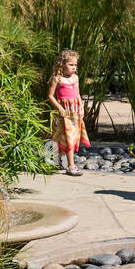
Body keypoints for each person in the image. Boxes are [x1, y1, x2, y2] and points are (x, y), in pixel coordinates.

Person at [47, 48, 89, 176]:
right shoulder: (57, 79)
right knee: (67, 138)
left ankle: (54, 158)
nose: (74, 67)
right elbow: (50, 95)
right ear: (62, 64)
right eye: (71, 64)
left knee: (72, 138)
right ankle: (71, 166)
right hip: (64, 113)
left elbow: (77, 94)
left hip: (75, 112)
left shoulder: (75, 78)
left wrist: (81, 106)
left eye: (75, 65)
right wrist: (60, 108)